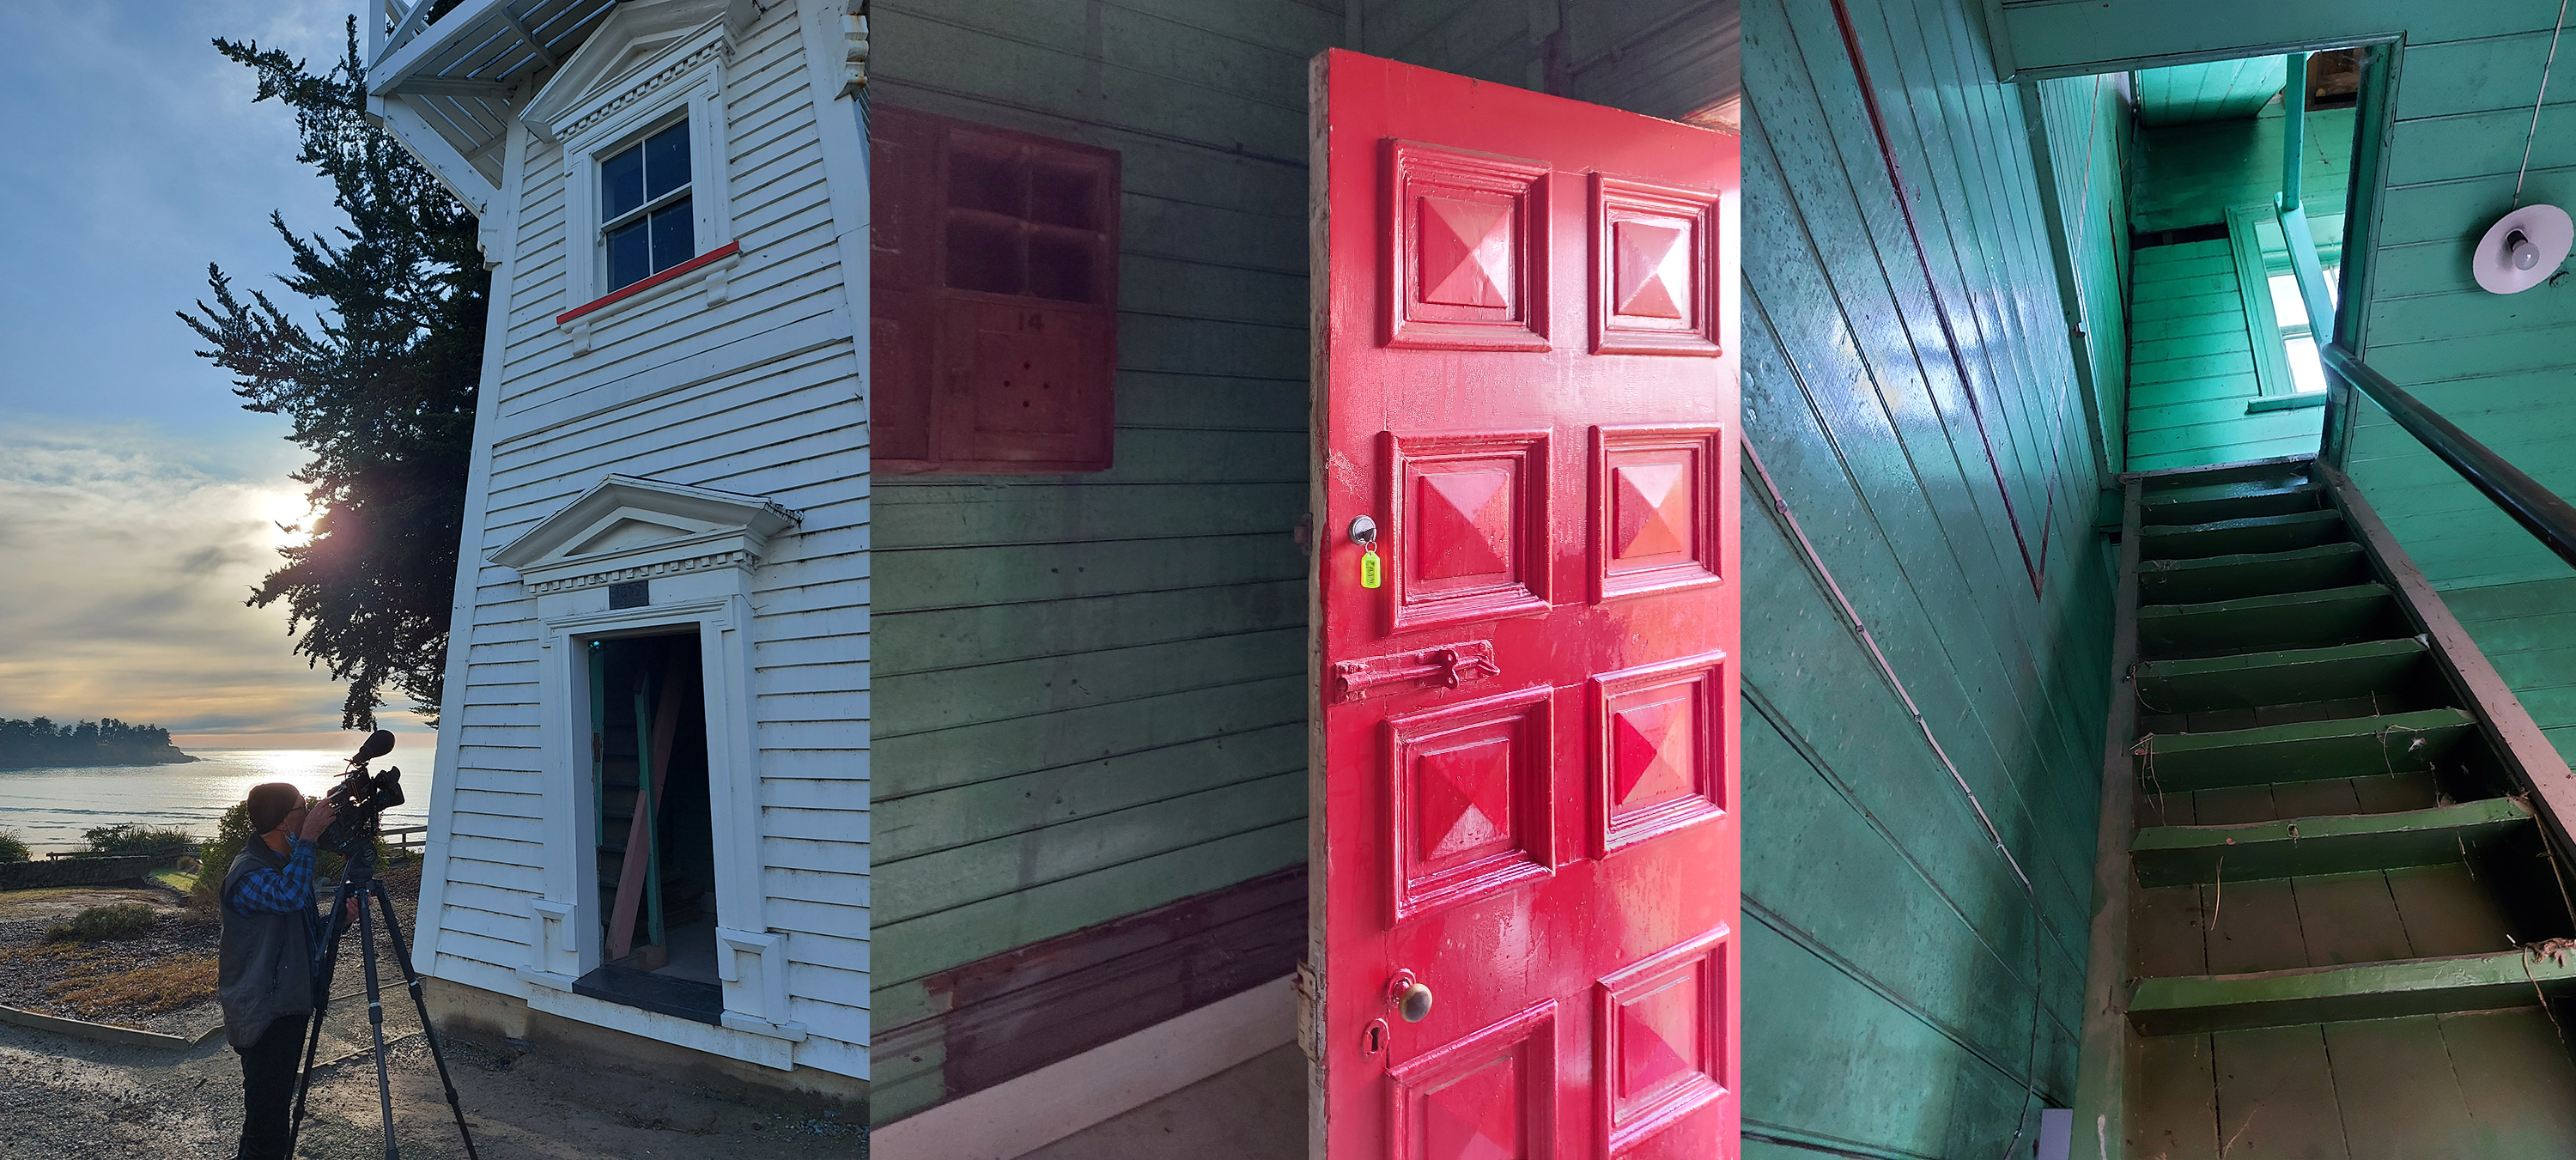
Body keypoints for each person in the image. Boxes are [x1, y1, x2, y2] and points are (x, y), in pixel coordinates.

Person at [217, 783, 337, 1160]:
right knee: (265, 1122)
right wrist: (311, 838)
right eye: (304, 808)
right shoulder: (248, 873)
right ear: (286, 820)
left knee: (273, 1113)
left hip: (285, 1004)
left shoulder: (283, 868)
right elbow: (288, 898)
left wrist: (340, 919)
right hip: (263, 1011)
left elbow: (303, 930)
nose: (309, 812)